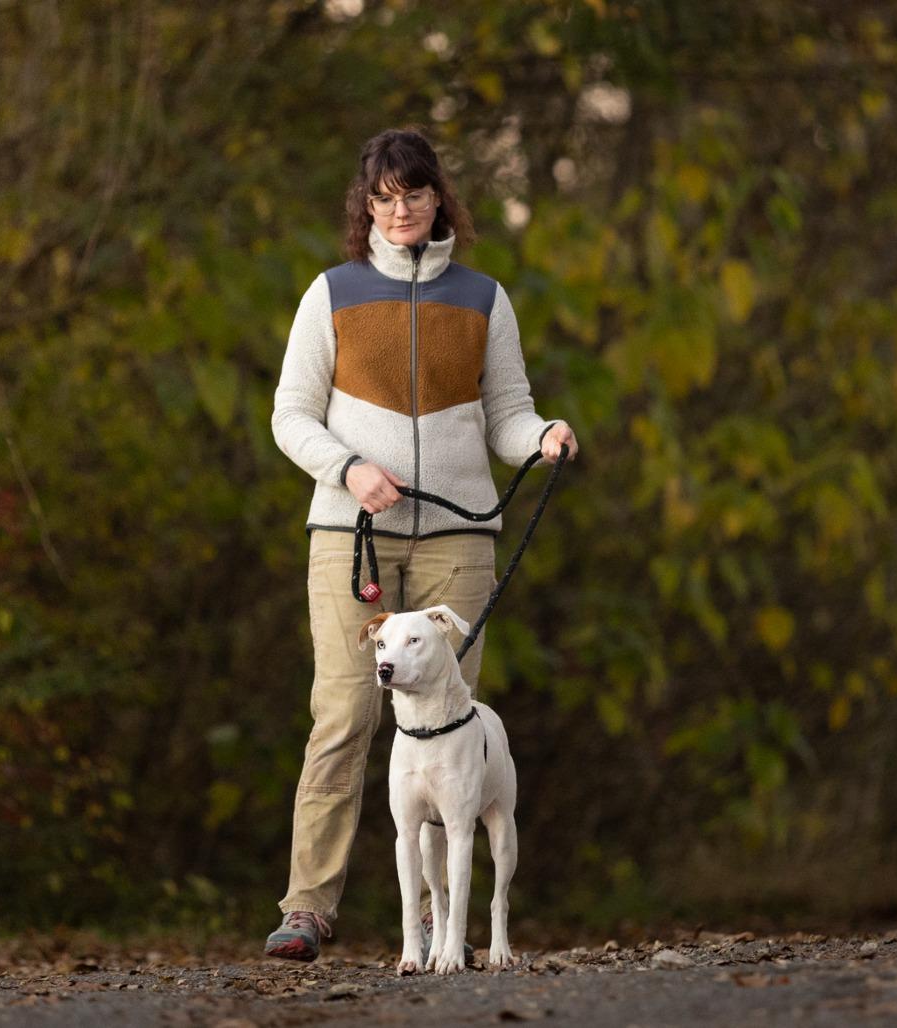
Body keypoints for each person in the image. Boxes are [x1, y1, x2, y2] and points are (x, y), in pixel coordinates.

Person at [266, 127, 578, 961]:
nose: (399, 209)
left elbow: (507, 412)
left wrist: (542, 434)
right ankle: (308, 908)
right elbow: (290, 416)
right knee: (343, 716)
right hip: (351, 535)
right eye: (383, 197)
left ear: (439, 197)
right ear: (367, 206)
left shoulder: (483, 297)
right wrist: (349, 468)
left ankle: (441, 926)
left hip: (459, 539)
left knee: (450, 737)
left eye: (413, 193)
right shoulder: (330, 292)